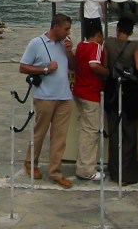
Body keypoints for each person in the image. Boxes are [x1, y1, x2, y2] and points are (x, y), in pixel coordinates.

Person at [19, 13, 76, 188]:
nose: (68, 33)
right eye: (66, 29)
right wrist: (45, 69)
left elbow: (74, 67)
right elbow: (23, 67)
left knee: (60, 137)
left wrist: (69, 51)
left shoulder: (64, 44)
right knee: (40, 132)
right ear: (56, 27)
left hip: (64, 97)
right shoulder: (36, 43)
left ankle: (55, 172)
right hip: (45, 96)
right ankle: (31, 163)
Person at [104, 17, 138, 184]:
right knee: (129, 133)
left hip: (112, 90)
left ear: (117, 29)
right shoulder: (134, 45)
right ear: (131, 31)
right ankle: (127, 174)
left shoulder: (108, 42)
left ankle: (115, 172)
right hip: (130, 92)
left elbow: (105, 65)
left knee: (114, 132)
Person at [72, 27, 108, 181]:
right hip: (91, 93)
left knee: (84, 130)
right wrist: (106, 71)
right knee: (91, 132)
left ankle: (83, 164)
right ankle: (86, 169)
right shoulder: (96, 47)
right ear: (98, 35)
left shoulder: (80, 46)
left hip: (79, 91)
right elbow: (93, 64)